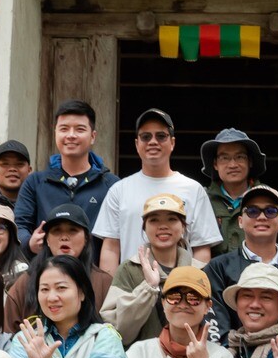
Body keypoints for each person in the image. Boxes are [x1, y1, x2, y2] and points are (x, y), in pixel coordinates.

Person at [94, 108, 223, 272]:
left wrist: (194, 285)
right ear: (137, 144)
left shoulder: (193, 189)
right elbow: (111, 248)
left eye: (161, 136)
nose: (153, 142)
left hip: (180, 286)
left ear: (172, 143)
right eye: (145, 137)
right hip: (132, 286)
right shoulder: (118, 191)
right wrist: (114, 287)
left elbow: (201, 248)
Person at [206, 183, 278, 343]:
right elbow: (216, 327)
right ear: (240, 221)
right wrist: (232, 357)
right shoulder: (218, 268)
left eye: (271, 211)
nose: (262, 217)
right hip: (233, 356)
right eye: (252, 211)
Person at [13, 100, 115, 251]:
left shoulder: (111, 185)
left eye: (80, 129)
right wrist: (29, 243)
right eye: (64, 129)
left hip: (93, 266)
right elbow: (19, 225)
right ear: (55, 133)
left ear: (93, 136)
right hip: (45, 264)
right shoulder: (35, 182)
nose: (71, 135)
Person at [104, 191, 198, 346]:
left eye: (172, 219)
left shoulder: (199, 271)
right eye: (154, 220)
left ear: (183, 227)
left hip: (191, 356)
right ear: (144, 228)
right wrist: (148, 288)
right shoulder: (129, 269)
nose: (163, 226)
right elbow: (115, 331)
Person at [7, 203, 111, 331]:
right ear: (47, 240)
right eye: (56, 230)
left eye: (72, 230)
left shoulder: (104, 282)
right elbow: (8, 333)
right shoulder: (25, 282)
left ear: (86, 238)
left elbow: (114, 331)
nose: (64, 237)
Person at [200, 127, 266, 257]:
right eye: (225, 158)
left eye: (240, 157)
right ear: (215, 164)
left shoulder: (268, 197)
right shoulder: (203, 199)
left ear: (250, 161)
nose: (232, 165)